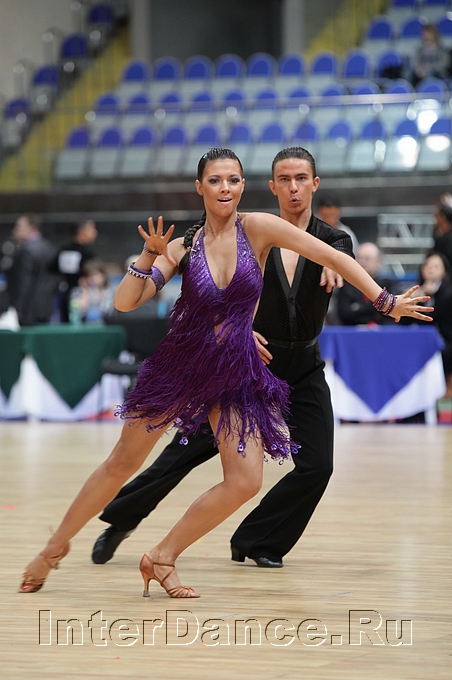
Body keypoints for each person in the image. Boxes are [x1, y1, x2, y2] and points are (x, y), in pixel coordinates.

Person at [19, 148, 432, 598]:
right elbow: (125, 302)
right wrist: (147, 256)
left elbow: (332, 255)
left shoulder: (258, 228)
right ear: (200, 187)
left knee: (245, 480)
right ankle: (52, 550)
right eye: (215, 180)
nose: (225, 188)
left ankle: (162, 556)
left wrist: (385, 301)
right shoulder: (183, 246)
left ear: (243, 186)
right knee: (124, 461)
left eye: (233, 180)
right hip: (181, 366)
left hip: (232, 370)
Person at [91, 146, 354, 569]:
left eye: (301, 179)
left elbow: (339, 258)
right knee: (181, 454)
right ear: (271, 186)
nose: (293, 188)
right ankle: (121, 519)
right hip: (242, 366)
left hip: (303, 367)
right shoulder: (251, 233)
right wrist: (236, 333)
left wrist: (340, 269)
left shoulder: (332, 238)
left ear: (315, 184)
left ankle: (258, 540)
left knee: (318, 465)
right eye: (284, 180)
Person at [402, 252, 452, 398]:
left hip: (446, 341)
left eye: (436, 266)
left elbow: (431, 319)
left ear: (444, 271)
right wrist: (412, 299)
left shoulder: (448, 293)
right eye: (427, 266)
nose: (430, 269)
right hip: (422, 341)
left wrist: (422, 299)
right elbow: (404, 321)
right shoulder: (416, 291)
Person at [6, 214, 59, 326]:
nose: (15, 230)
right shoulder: (50, 247)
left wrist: (19, 308)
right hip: (46, 307)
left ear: (32, 228)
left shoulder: (26, 251)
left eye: (19, 227)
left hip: (28, 309)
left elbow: (23, 281)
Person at [337, 242, 397, 326]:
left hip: (383, 330)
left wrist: (358, 307)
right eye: (359, 258)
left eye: (367, 259)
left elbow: (392, 313)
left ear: (378, 262)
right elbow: (344, 313)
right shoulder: (346, 285)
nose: (362, 262)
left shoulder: (389, 284)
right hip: (353, 330)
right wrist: (378, 307)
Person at [50, 219, 98, 322]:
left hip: (64, 294)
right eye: (91, 229)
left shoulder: (63, 250)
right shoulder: (87, 254)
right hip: (77, 296)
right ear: (81, 231)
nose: (95, 233)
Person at [69, 259, 115, 324]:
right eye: (89, 276)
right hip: (85, 327)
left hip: (107, 326)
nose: (92, 278)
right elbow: (76, 312)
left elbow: (109, 311)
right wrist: (85, 291)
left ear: (103, 275)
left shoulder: (110, 291)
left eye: (95, 274)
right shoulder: (77, 291)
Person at [432, 201, 452, 277]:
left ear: (443, 217)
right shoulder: (437, 233)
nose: (435, 217)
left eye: (437, 215)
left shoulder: (449, 237)